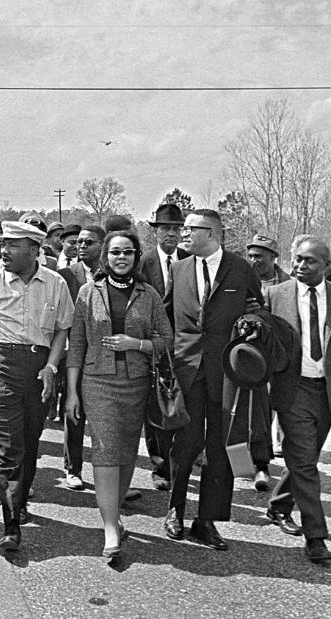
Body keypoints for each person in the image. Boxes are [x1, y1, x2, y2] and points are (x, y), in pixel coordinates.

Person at [0, 221, 73, 552]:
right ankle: (11, 523)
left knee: (29, 440)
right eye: (3, 245)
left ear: (33, 250)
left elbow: (61, 330)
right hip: (1, 370)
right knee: (8, 446)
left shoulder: (55, 284)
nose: (4, 251)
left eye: (13, 246)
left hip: (39, 372)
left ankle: (20, 498)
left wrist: (52, 367)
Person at [66, 230, 172, 560]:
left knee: (126, 450)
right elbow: (77, 345)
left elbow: (167, 340)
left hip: (137, 382)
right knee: (106, 449)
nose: (121, 258)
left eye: (127, 252)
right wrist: (71, 391)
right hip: (97, 382)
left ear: (136, 256)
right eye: (114, 253)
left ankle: (117, 516)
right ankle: (110, 527)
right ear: (105, 257)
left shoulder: (150, 294)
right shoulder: (88, 292)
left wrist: (137, 344)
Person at [264, 238, 331, 564]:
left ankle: (279, 504)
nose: (299, 266)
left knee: (304, 457)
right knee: (306, 463)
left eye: (309, 261)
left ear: (326, 265)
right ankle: (316, 536)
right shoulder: (276, 295)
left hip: (327, 392)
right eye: (296, 259)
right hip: (291, 390)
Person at [163, 209, 263, 551]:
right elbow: (166, 319)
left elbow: (257, 309)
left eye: (191, 229)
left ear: (212, 233)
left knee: (222, 448)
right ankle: (175, 510)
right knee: (185, 445)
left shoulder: (240, 268)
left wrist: (251, 321)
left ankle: (206, 521)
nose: (184, 234)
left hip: (226, 373)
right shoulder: (178, 269)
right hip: (187, 369)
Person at [137, 203, 189, 492]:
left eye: (176, 229)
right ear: (155, 231)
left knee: (182, 400)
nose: (171, 234)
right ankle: (160, 466)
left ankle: (183, 458)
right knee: (154, 404)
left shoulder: (190, 260)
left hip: (184, 344)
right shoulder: (144, 263)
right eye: (165, 228)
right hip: (153, 343)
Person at [57, 224, 106, 491]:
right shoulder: (65, 275)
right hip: (74, 352)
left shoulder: (112, 274)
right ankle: (72, 468)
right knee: (74, 410)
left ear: (102, 245)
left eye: (89, 243)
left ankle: (107, 476)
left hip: (105, 353)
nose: (82, 247)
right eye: (79, 243)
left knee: (105, 416)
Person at [244, 233, 291, 489]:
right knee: (248, 410)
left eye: (259, 256)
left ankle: (264, 464)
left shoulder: (288, 284)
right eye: (250, 255)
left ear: (273, 257)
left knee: (271, 410)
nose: (254, 261)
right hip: (247, 354)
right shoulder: (240, 278)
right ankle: (246, 461)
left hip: (277, 356)